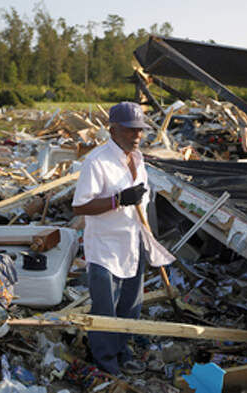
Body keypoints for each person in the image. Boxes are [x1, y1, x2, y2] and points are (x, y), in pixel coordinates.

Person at [72, 101, 174, 376]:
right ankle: (106, 361)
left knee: (131, 305)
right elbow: (80, 206)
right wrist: (117, 200)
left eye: (140, 130)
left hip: (133, 242)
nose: (137, 135)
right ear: (113, 129)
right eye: (131, 130)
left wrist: (149, 234)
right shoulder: (97, 161)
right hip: (105, 247)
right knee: (106, 309)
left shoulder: (138, 160)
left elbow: (145, 200)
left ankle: (122, 350)